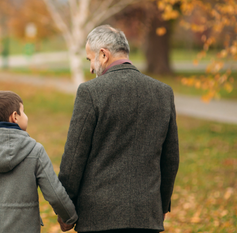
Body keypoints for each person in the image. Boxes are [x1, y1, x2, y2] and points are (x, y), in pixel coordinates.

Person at [57, 25, 180, 233]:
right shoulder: (163, 92)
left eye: (90, 60)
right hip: (146, 216)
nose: (90, 68)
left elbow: (74, 157)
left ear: (103, 55)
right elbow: (171, 159)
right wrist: (160, 206)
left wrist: (66, 209)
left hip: (98, 217)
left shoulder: (90, 92)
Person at [0, 91, 78, 233]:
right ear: (15, 116)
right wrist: (69, 217)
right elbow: (54, 192)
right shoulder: (35, 150)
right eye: (23, 111)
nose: (26, 116)